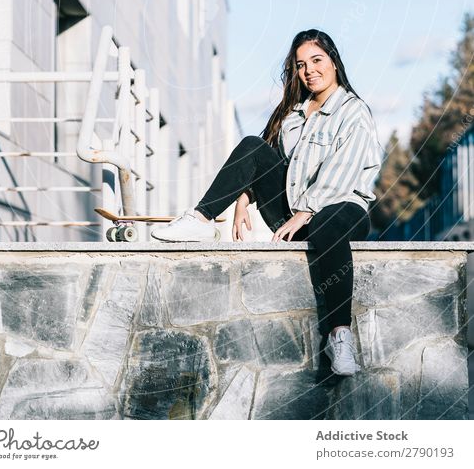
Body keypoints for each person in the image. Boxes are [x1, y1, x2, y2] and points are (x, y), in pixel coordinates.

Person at [151, 29, 383, 376]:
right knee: (250, 143)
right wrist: (244, 197)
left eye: (316, 61)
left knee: (328, 223)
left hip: (341, 209)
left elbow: (343, 172)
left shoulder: (353, 111)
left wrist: (306, 212)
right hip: (294, 214)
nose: (309, 71)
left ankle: (339, 336)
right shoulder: (293, 114)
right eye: (301, 65)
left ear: (334, 61)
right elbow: (264, 158)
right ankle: (200, 219)